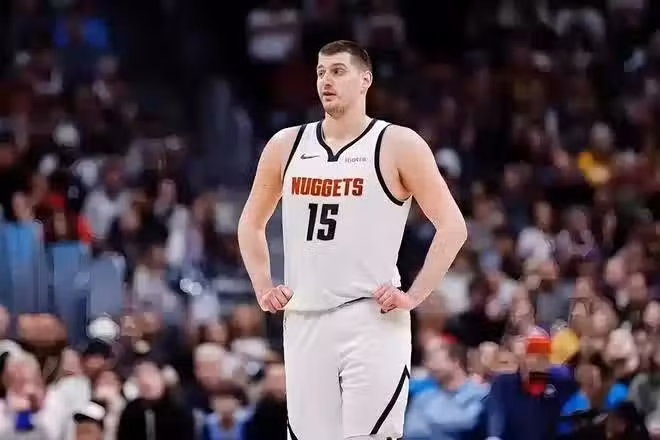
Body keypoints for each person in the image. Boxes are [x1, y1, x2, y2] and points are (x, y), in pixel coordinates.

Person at [238, 39, 467, 440]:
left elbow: (453, 226)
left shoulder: (398, 144)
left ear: (365, 80)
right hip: (304, 318)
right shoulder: (286, 145)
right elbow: (250, 224)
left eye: (338, 71)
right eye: (320, 72)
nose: (326, 80)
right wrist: (262, 286)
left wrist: (414, 296)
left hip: (370, 316)